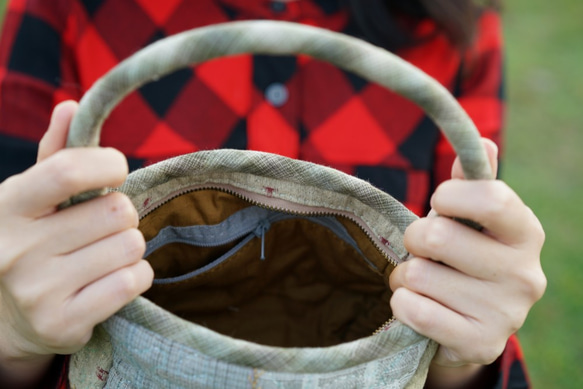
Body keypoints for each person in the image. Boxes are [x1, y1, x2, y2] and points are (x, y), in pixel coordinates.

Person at [0, 0, 546, 388]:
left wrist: (465, 356)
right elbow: (21, 269)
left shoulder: (452, 22)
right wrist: (13, 336)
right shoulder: (68, 12)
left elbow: (461, 273)